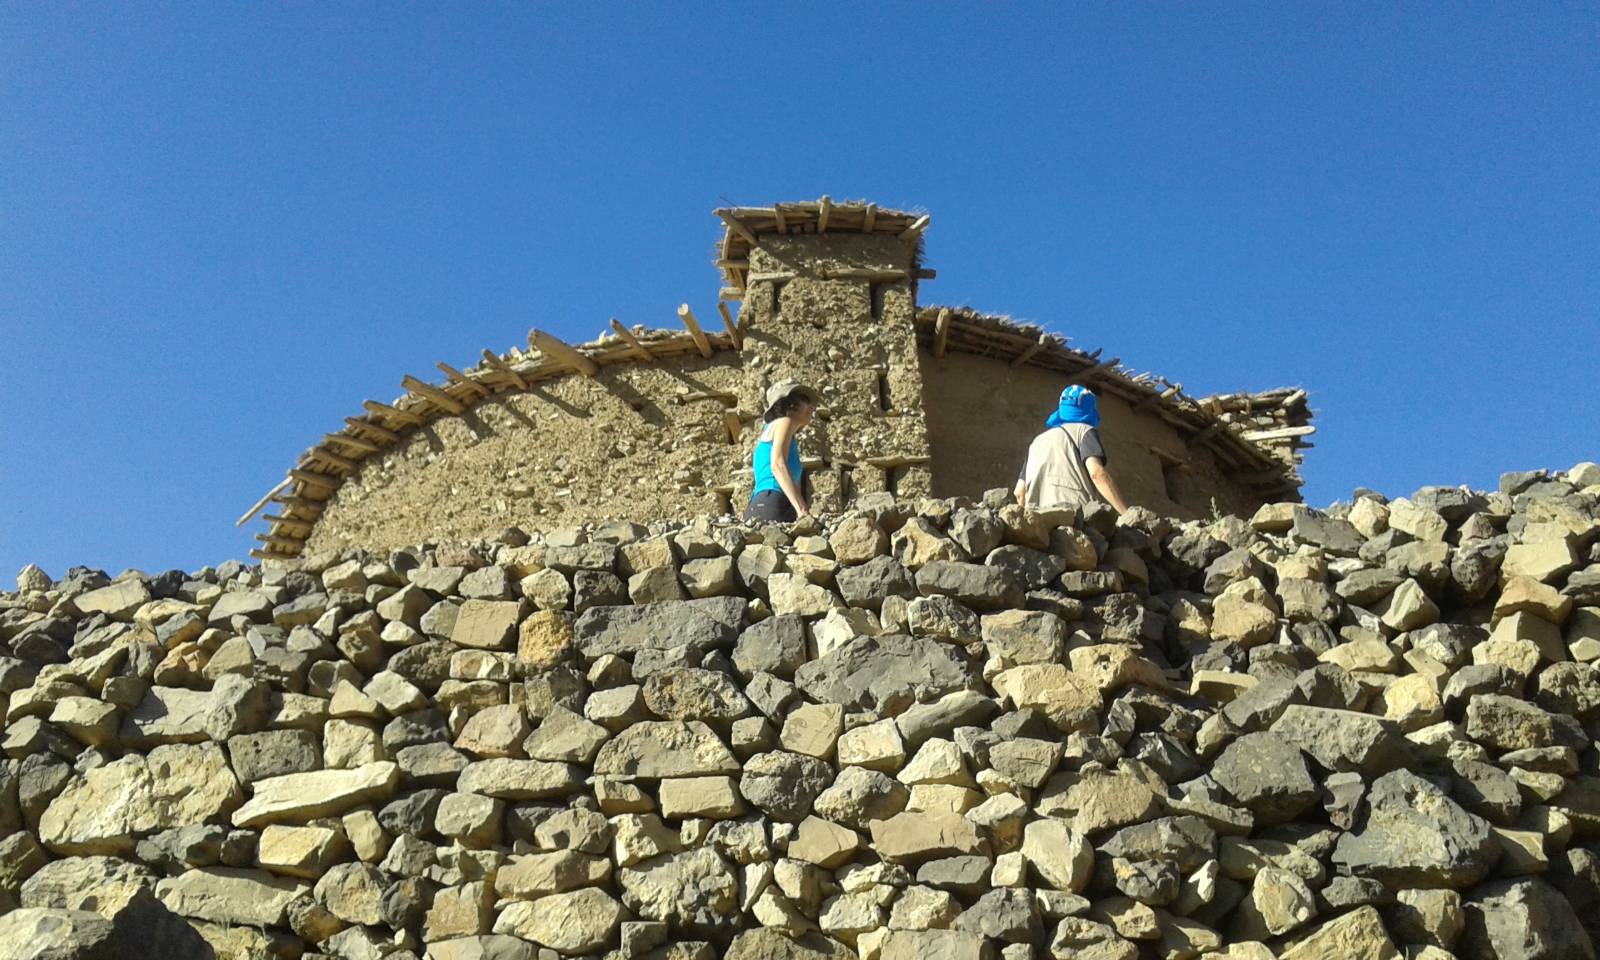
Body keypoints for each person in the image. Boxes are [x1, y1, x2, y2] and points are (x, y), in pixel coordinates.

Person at [1015, 384, 1130, 514]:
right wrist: (1126, 514)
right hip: (1073, 516)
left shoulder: (1036, 442)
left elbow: (1019, 493)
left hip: (1037, 518)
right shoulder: (1084, 431)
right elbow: (1097, 474)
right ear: (1090, 409)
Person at [744, 380, 821, 523]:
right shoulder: (784, 422)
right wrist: (802, 510)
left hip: (768, 504)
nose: (811, 407)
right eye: (804, 400)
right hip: (771, 503)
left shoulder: (783, 435)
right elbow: (778, 465)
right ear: (788, 404)